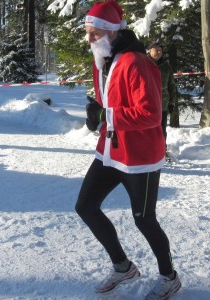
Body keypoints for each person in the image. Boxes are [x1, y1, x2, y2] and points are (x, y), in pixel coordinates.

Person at [76, 1, 181, 299]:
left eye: (94, 34)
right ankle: (122, 267)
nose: (89, 40)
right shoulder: (103, 59)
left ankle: (169, 277)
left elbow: (150, 113)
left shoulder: (137, 62)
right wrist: (95, 107)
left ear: (110, 32)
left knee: (144, 219)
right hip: (110, 151)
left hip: (139, 158)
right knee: (85, 206)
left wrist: (107, 116)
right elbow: (107, 99)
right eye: (88, 33)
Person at [148, 42, 177, 148]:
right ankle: (148, 151)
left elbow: (172, 86)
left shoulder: (166, 66)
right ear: (150, 51)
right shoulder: (144, 64)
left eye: (160, 50)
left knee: (161, 130)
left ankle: (162, 151)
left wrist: (171, 103)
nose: (158, 52)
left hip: (162, 105)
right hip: (146, 104)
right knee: (147, 130)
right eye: (155, 49)